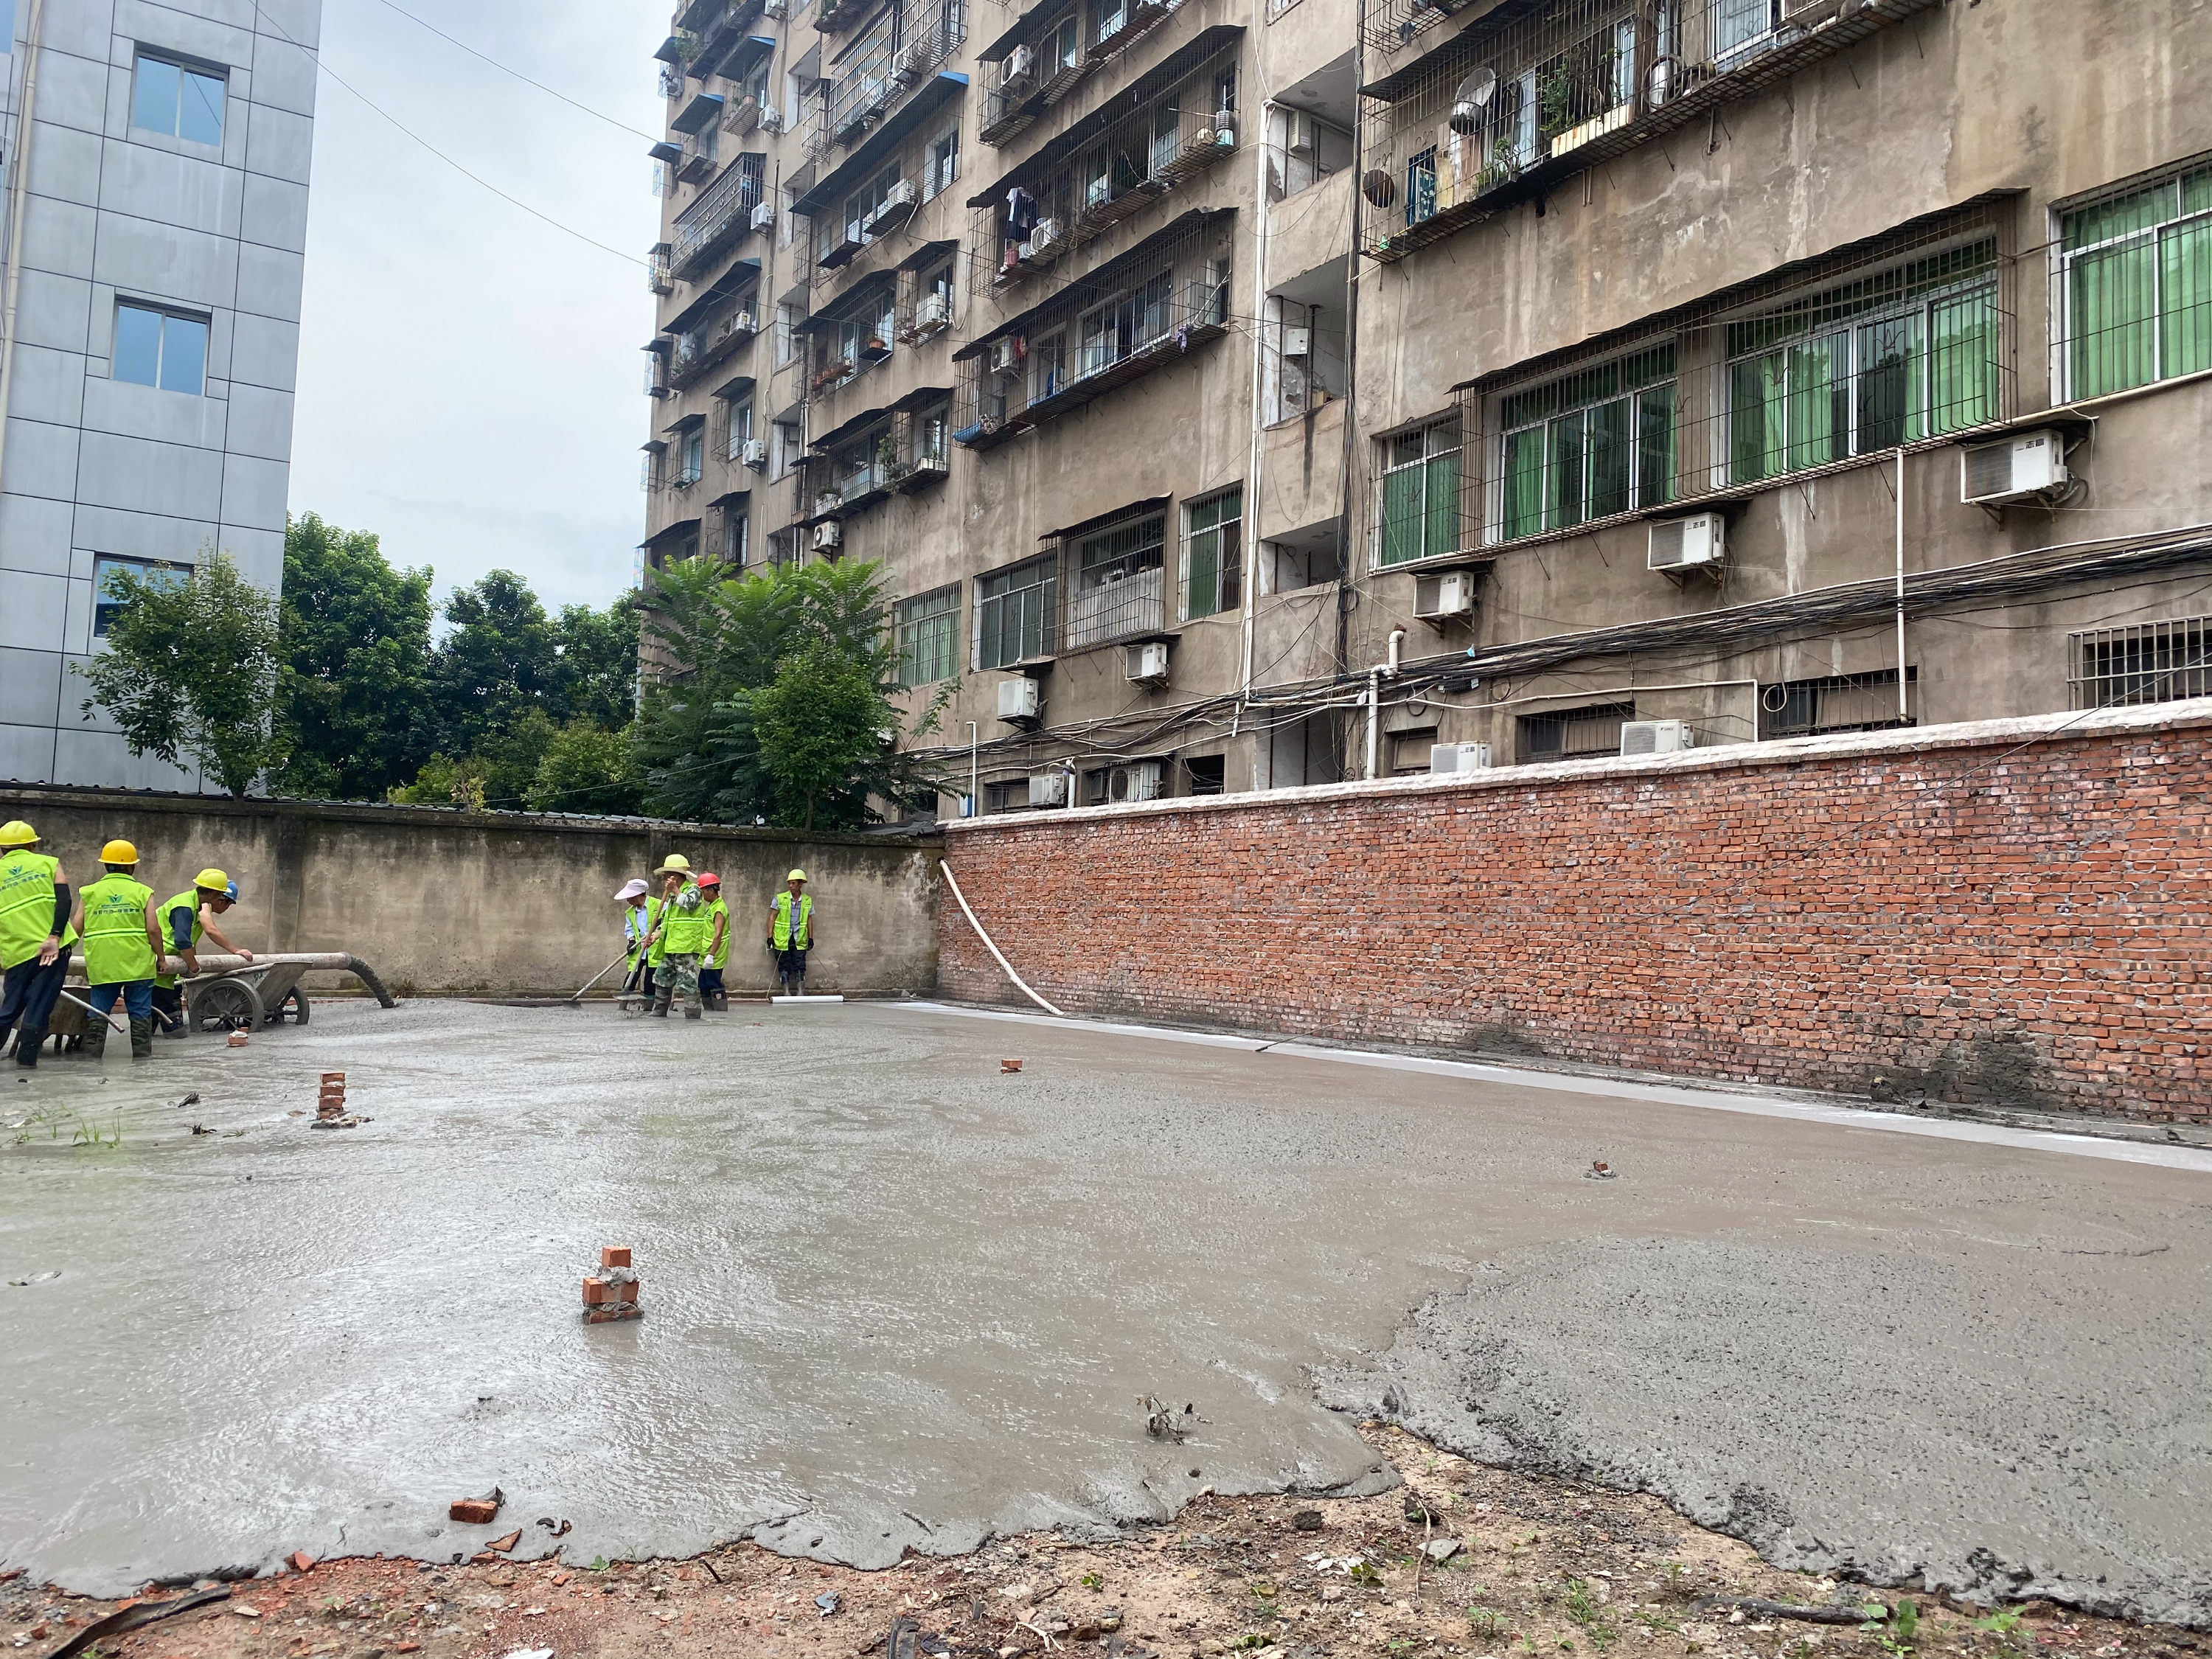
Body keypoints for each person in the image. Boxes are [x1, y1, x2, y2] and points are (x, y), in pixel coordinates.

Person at [74, 840, 164, 1061]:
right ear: (133, 866)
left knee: (98, 1011)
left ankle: (93, 1059)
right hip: (138, 963)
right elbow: (153, 929)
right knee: (141, 1012)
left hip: (102, 963)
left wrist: (59, 950)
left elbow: (76, 926)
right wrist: (161, 957)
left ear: (105, 865)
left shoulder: (90, 892)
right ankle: (142, 1060)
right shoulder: (143, 891)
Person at [0, 821, 76, 1069]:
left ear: (3, 849)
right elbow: (64, 900)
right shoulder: (48, 863)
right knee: (40, 1005)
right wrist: (54, 937)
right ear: (33, 844)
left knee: (10, 1007)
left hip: (16, 952)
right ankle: (26, 1065)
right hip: (52, 950)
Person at [152, 869, 253, 1038]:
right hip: (159, 965)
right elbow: (186, 940)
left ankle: (144, 1046)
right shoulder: (188, 906)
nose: (223, 903)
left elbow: (188, 940)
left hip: (167, 969)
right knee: (174, 1029)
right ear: (216, 895)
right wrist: (194, 967)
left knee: (152, 1015)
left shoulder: (195, 904)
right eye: (223, 897)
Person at [650, 854, 710, 1020]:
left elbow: (689, 904)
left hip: (686, 946)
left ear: (675, 876)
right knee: (662, 977)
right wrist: (657, 934)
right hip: (671, 945)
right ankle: (659, 1010)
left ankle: (692, 1014)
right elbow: (669, 920)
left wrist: (676, 890)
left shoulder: (694, 890)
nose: (665, 880)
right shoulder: (671, 896)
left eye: (667, 875)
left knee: (687, 982)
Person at [766, 868, 816, 998]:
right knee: (783, 964)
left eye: (793, 883)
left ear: (801, 884)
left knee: (800, 964)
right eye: (789, 883)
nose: (791, 886)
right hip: (782, 939)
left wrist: (811, 938)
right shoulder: (780, 899)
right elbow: (772, 917)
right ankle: (786, 992)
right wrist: (770, 937)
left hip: (799, 938)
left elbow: (809, 919)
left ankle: (801, 992)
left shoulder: (807, 900)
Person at [696, 872, 730, 1011]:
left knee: (713, 983)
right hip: (706, 953)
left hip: (714, 954)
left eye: (703, 891)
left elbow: (718, 934)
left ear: (711, 890)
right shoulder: (711, 906)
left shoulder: (719, 908)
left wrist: (711, 956)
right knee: (703, 984)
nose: (702, 895)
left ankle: (720, 1012)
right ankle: (709, 1011)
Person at [616, 877, 652, 1005]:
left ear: (637, 895)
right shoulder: (630, 912)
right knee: (632, 976)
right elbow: (630, 929)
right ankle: (624, 1003)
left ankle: (650, 1007)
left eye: (629, 897)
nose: (627, 900)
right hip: (639, 948)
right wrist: (631, 941)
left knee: (650, 980)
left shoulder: (659, 905)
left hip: (655, 948)